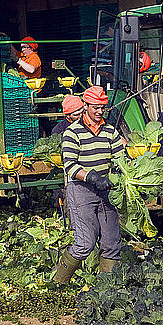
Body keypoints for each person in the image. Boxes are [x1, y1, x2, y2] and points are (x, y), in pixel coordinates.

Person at [54, 86, 124, 283]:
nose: (100, 111)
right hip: (81, 190)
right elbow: (70, 167)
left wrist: (120, 175)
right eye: (96, 107)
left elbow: (120, 158)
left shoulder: (110, 131)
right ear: (85, 106)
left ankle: (105, 287)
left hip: (106, 190)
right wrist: (93, 178)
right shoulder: (72, 132)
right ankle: (59, 282)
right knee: (85, 243)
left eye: (103, 107)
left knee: (112, 242)